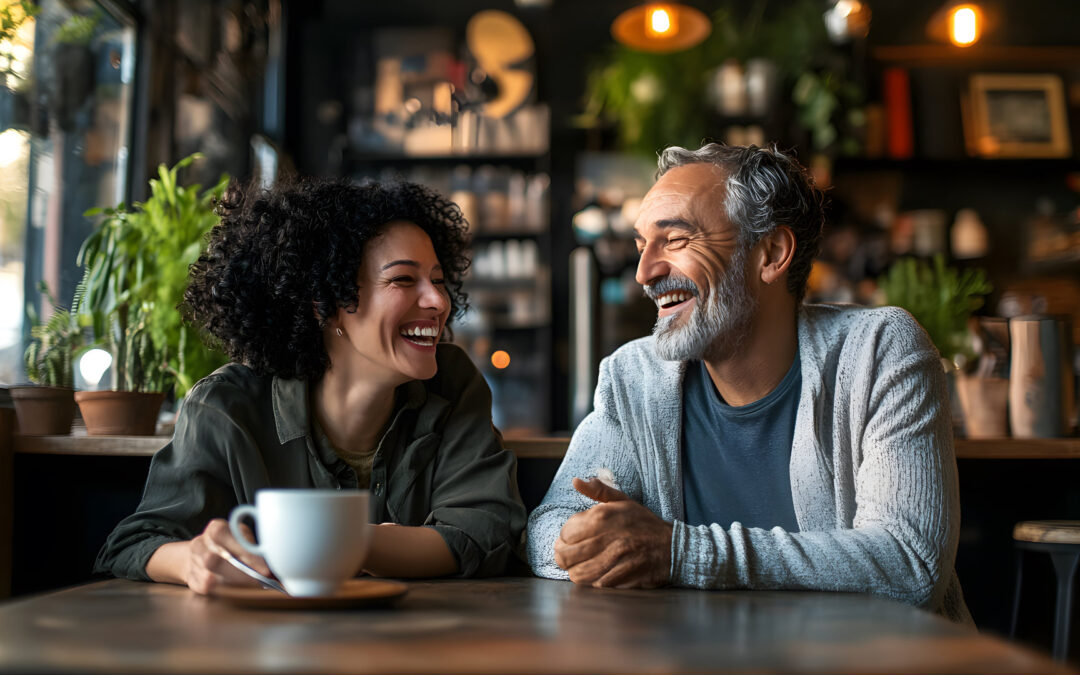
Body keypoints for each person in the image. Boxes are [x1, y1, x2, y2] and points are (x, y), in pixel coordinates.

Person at [527, 143, 971, 623]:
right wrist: (588, 539)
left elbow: (909, 565)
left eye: (674, 240)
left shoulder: (878, 351)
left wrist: (679, 553)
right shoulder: (633, 377)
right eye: (641, 245)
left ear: (772, 253)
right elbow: (546, 527)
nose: (644, 272)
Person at [96, 178, 527, 594]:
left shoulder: (452, 384)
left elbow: (485, 530)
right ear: (326, 305)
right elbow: (134, 543)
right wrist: (192, 560)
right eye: (402, 279)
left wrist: (339, 543)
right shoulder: (227, 407)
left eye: (436, 279)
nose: (438, 301)